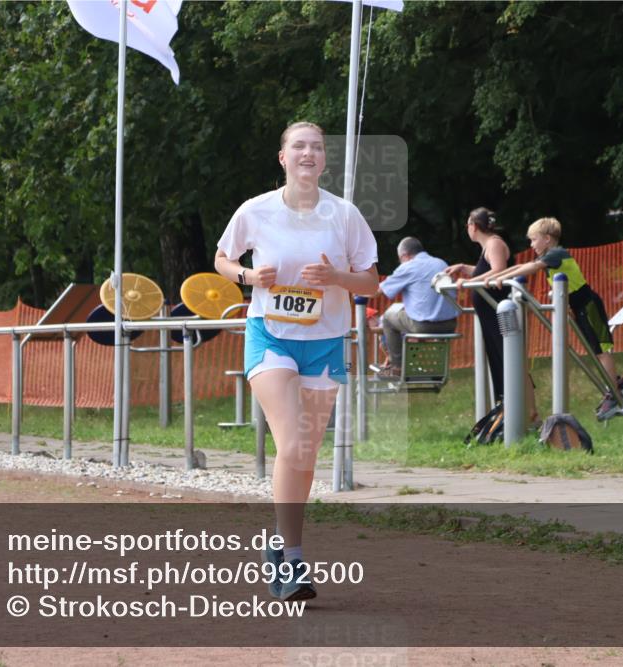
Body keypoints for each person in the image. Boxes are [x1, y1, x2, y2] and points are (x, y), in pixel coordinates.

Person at [214, 121, 379, 601]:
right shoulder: (256, 210)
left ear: (324, 160)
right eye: (299, 146)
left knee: (304, 452)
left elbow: (371, 282)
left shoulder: (344, 215)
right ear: (283, 157)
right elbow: (223, 258)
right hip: (271, 338)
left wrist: (336, 276)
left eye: (317, 148)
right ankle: (292, 560)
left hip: (326, 342)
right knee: (292, 443)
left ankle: (281, 546)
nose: (309, 153)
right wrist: (248, 275)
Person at [484, 216, 623, 420]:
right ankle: (616, 383)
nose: (531, 244)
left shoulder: (556, 253)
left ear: (546, 238)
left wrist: (501, 277)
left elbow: (531, 268)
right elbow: (524, 266)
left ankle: (614, 390)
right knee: (593, 349)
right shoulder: (549, 257)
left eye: (533, 239)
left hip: (588, 305)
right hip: (578, 307)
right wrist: (497, 275)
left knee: (600, 350)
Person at [444, 207, 513, 400]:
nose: (467, 229)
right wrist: (464, 268)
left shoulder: (494, 244)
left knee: (506, 357)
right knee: (498, 358)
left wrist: (467, 283)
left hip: (497, 308)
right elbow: (487, 270)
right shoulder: (489, 246)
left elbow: (498, 269)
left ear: (474, 226)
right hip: (489, 310)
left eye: (467, 225)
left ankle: (523, 410)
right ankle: (505, 404)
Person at [375, 237, 459, 377]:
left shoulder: (409, 266)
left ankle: (397, 367)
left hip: (424, 326)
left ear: (404, 255)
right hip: (450, 324)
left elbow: (377, 291)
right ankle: (431, 365)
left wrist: (356, 292)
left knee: (388, 318)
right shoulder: (441, 263)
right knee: (410, 312)